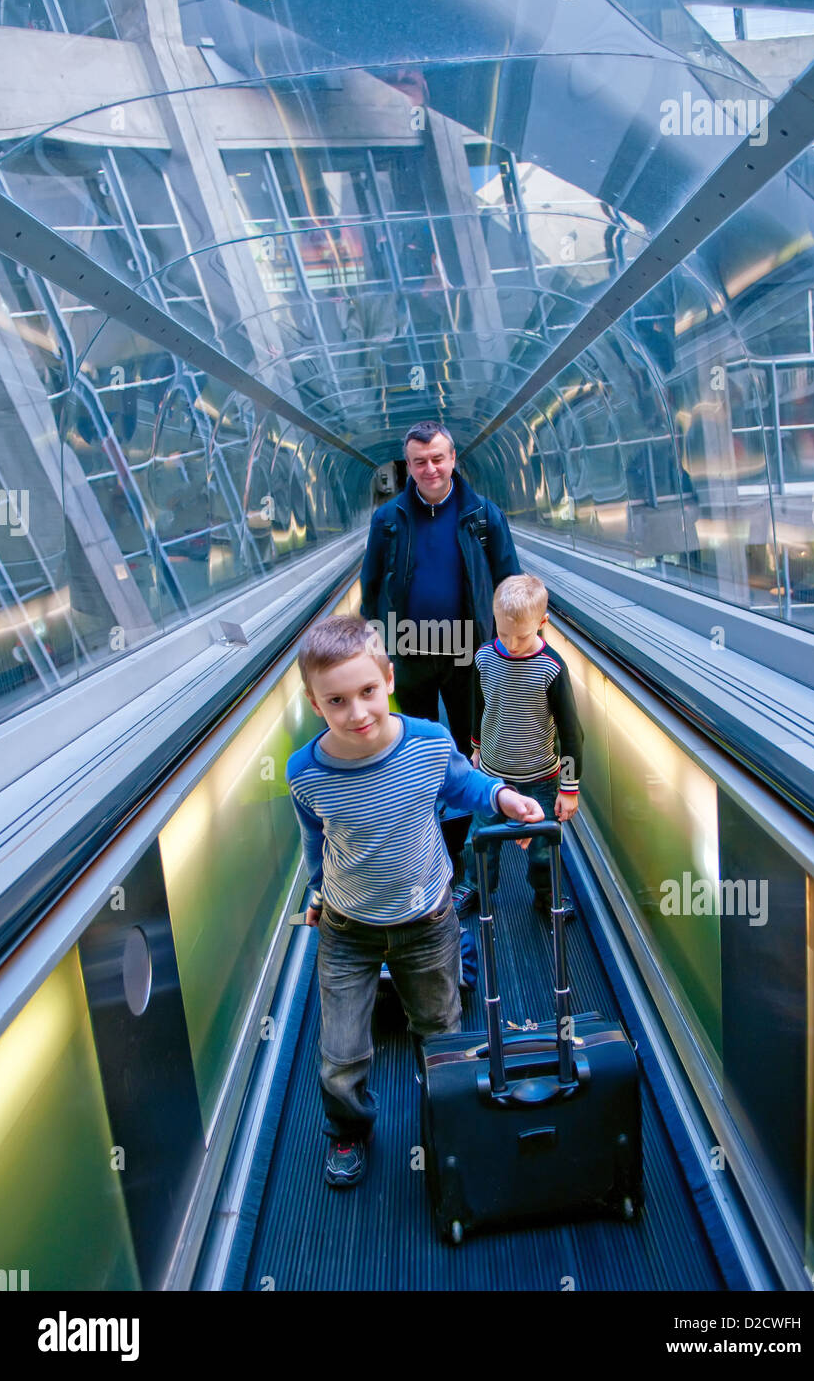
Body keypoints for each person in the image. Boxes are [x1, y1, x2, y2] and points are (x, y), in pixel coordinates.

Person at [286, 614, 545, 1189]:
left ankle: (448, 1115)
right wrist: (316, 892)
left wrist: (504, 797)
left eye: (367, 692)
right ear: (314, 702)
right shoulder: (305, 772)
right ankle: (348, 1129)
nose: (356, 713)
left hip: (427, 921)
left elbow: (464, 784)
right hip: (347, 929)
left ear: (389, 679)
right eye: (336, 701)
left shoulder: (427, 743)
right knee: (341, 1049)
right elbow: (316, 839)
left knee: (440, 1028)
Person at [359, 418, 520, 765]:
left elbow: (510, 582)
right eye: (419, 462)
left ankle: (469, 811)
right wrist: (374, 647)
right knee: (418, 744)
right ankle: (429, 808)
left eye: (437, 459)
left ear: (452, 459)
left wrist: (516, 641)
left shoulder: (484, 516)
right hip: (407, 650)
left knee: (473, 738)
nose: (429, 469)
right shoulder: (388, 520)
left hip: (468, 650)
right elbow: (370, 588)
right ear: (409, 466)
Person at [452, 574, 584, 920]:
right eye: (503, 632)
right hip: (492, 775)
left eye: (522, 636)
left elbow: (572, 734)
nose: (511, 644)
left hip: (540, 777)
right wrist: (476, 749)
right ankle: (476, 886)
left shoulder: (551, 668)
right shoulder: (484, 658)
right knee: (479, 838)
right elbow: (480, 706)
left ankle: (546, 893)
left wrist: (569, 789)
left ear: (543, 623)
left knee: (543, 846)